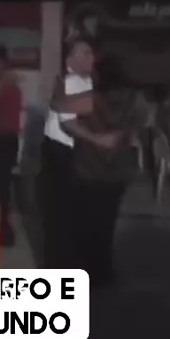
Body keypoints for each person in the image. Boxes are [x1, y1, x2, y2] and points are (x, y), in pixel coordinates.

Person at [40, 37, 119, 268]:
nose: (90, 58)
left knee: (72, 215)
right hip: (61, 153)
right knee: (62, 216)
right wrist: (99, 141)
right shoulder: (72, 82)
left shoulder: (86, 81)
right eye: (84, 53)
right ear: (69, 60)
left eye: (91, 53)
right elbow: (68, 124)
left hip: (71, 152)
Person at [72, 56, 139, 287]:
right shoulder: (133, 100)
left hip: (88, 168)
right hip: (118, 169)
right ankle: (104, 268)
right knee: (107, 222)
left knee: (87, 221)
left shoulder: (86, 100)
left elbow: (67, 124)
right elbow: (139, 125)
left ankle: (87, 268)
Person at [0, 46, 23, 247]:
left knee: (1, 187)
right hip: (1, 138)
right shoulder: (1, 80)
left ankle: (3, 230)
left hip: (3, 139)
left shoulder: (6, 81)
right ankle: (1, 228)